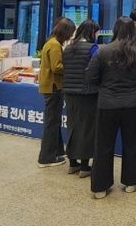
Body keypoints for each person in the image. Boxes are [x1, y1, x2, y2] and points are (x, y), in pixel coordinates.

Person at [87, 17, 136, 199]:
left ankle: (100, 186)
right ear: (133, 31)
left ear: (115, 29)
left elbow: (91, 76)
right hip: (133, 104)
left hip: (107, 104)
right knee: (132, 144)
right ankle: (132, 182)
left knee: (103, 145)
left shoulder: (103, 51)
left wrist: (105, 85)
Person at [62, 19, 101, 177]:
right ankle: (85, 167)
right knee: (87, 129)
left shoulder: (68, 47)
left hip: (69, 93)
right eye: (97, 32)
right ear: (92, 32)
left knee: (72, 126)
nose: (97, 35)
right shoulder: (92, 48)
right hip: (87, 93)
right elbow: (97, 69)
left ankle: (72, 164)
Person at [37, 17, 76, 168]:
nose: (71, 36)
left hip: (50, 86)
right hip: (53, 87)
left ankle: (58, 151)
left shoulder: (51, 42)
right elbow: (57, 67)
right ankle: (46, 158)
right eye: (70, 32)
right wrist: (72, 67)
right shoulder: (55, 45)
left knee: (53, 121)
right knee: (51, 123)